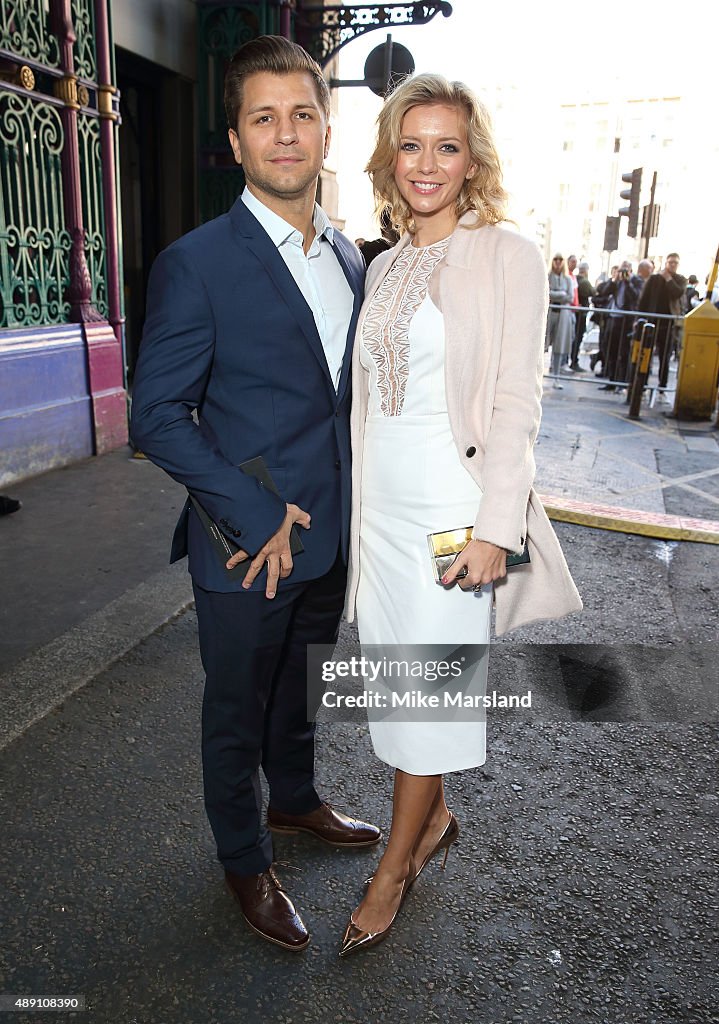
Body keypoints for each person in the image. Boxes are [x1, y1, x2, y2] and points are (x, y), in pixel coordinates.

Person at [130, 35, 379, 953]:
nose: (285, 135)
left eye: (301, 115)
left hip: (332, 536)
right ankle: (243, 858)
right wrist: (251, 508)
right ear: (234, 141)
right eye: (263, 118)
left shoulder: (351, 257)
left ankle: (298, 803)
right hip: (248, 542)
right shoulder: (197, 262)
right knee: (235, 707)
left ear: (325, 129)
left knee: (299, 691)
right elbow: (155, 415)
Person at [340, 73, 582, 957]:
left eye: (447, 145)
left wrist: (494, 528)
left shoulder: (507, 253)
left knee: (429, 696)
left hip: (453, 516)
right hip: (382, 514)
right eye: (411, 144)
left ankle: (394, 869)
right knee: (396, 687)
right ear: (389, 157)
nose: (427, 163)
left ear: (472, 157)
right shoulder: (383, 264)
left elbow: (519, 398)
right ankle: (433, 818)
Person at [637, 252, 687, 392]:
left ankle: (662, 386)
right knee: (646, 353)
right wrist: (640, 319)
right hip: (652, 322)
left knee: (665, 356)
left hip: (669, 324)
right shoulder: (654, 279)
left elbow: (677, 293)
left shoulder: (680, 280)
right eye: (670, 262)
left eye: (675, 263)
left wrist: (669, 279)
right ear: (665, 263)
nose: (672, 265)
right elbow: (644, 299)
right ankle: (643, 384)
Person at [598, 259, 642, 391]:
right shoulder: (616, 281)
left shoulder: (635, 281)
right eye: (622, 269)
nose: (623, 271)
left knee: (623, 353)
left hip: (626, 320)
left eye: (626, 269)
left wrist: (627, 282)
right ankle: (611, 381)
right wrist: (614, 280)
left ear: (631, 270)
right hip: (613, 319)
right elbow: (604, 292)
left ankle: (621, 383)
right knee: (610, 351)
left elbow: (636, 296)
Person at [546, 254, 575, 387]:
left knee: (559, 347)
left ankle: (556, 378)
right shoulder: (547, 276)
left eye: (560, 260)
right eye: (555, 259)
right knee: (543, 345)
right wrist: (560, 295)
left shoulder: (568, 279)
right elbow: (545, 293)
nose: (557, 262)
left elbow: (570, 297)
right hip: (550, 314)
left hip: (562, 315)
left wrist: (555, 295)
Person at [569, 261, 595, 371]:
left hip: (577, 313)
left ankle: (572, 360)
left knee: (576, 337)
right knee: (577, 338)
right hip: (580, 313)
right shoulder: (584, 282)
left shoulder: (576, 280)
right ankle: (574, 361)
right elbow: (593, 292)